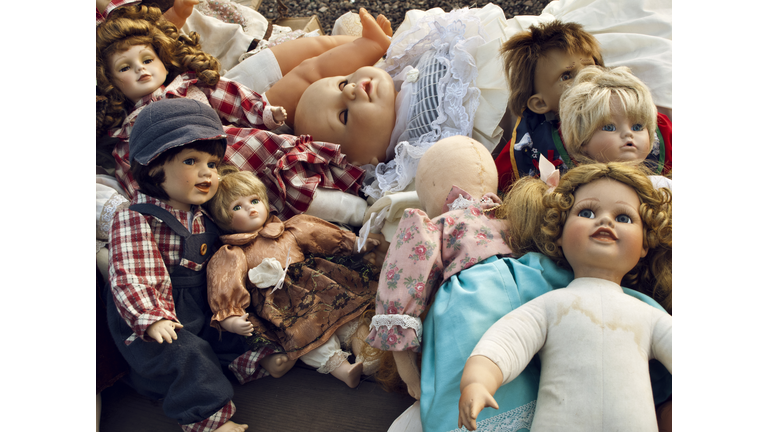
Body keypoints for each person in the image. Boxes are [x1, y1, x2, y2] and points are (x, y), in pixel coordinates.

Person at [97, 4, 392, 220]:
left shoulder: (189, 86)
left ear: (162, 57)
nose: (141, 70)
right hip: (215, 184)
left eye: (147, 59)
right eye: (125, 68)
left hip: (243, 147)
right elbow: (135, 176)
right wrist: (151, 210)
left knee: (297, 172)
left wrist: (264, 113)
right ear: (110, 83)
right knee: (292, 200)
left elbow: (235, 100)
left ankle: (365, 203)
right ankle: (365, 218)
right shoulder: (127, 131)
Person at [104, 97, 277, 432]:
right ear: (154, 166)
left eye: (212, 164)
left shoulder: (203, 213)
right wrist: (151, 318)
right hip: (157, 314)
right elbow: (132, 274)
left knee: (236, 332)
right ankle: (209, 418)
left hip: (198, 304)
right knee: (186, 354)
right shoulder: (135, 218)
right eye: (191, 161)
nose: (207, 173)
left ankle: (257, 361)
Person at [458, 161, 672, 431]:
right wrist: (477, 381)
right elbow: (505, 342)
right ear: (559, 233)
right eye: (587, 212)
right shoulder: (550, 307)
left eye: (624, 218)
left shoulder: (650, 318)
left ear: (644, 243)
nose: (605, 220)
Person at [204, 165, 383, 388]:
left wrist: (354, 243)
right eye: (237, 207)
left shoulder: (289, 229)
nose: (250, 209)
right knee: (307, 338)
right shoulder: (233, 254)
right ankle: (345, 371)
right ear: (223, 220)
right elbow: (224, 283)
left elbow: (321, 236)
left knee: (348, 317)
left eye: (254, 201)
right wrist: (230, 317)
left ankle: (368, 354)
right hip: (284, 307)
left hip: (320, 285)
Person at [493, 19, 672, 191]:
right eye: (566, 76)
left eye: (590, 67)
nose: (587, 77)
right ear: (540, 103)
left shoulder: (652, 126)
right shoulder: (530, 146)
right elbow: (495, 188)